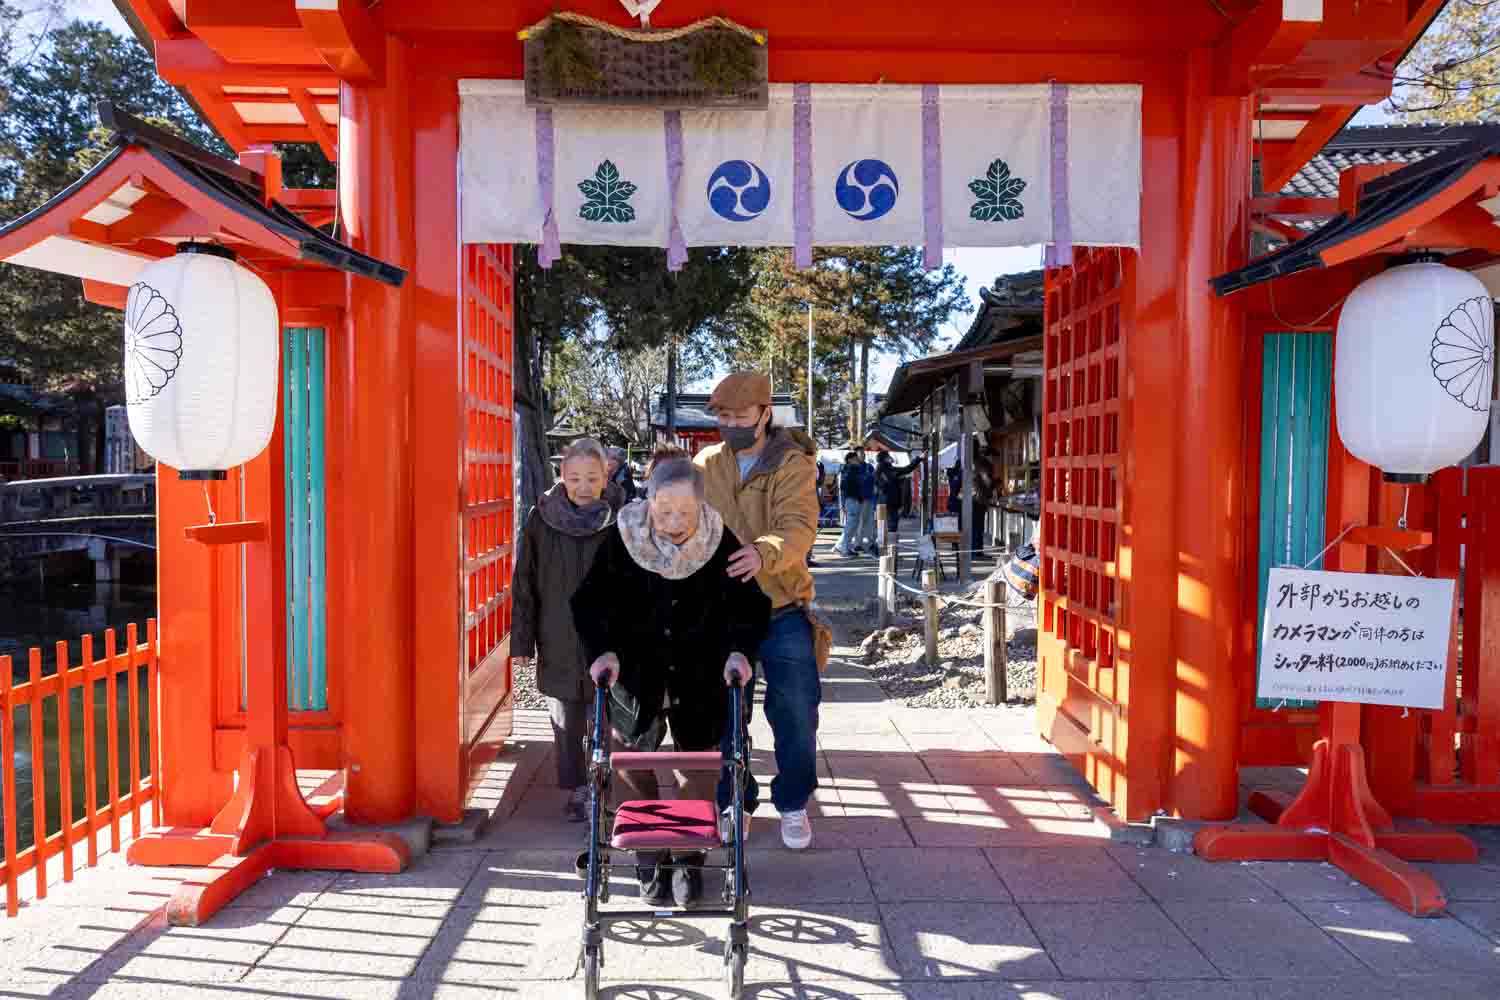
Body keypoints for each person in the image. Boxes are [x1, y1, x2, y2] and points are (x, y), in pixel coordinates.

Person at [571, 449, 769, 908]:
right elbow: (588, 602)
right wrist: (601, 652)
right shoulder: (624, 539)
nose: (675, 521)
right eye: (664, 510)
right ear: (649, 500)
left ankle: (686, 857)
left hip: (700, 671)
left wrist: (739, 650)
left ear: (701, 506)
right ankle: (648, 853)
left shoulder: (718, 541)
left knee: (694, 762)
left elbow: (751, 606)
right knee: (628, 756)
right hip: (634, 670)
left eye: (684, 511)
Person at [696, 371, 822, 850]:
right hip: (723, 610)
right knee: (727, 713)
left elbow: (799, 528)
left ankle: (792, 801)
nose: (730, 425)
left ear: (765, 413)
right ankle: (735, 799)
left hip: (782, 604)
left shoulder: (793, 463)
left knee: (795, 708)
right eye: (723, 417)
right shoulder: (707, 462)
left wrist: (763, 552)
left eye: (740, 416)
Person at [511, 438, 626, 823]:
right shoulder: (540, 518)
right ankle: (576, 784)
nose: (582, 486)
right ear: (562, 476)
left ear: (605, 475)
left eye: (591, 478)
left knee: (603, 716)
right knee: (565, 717)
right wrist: (522, 640)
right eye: (574, 478)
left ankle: (598, 787)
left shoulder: (623, 517)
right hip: (557, 635)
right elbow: (524, 581)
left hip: (607, 636)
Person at [875, 450, 922, 545]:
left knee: (883, 525)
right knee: (892, 525)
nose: (891, 458)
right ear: (885, 459)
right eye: (888, 456)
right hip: (890, 501)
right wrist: (919, 459)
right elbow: (906, 469)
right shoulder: (887, 469)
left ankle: (885, 548)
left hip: (883, 501)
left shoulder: (880, 469)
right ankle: (891, 549)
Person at [836, 449, 876, 556]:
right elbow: (846, 487)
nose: (858, 459)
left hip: (857, 500)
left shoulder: (856, 469)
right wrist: (848, 500)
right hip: (852, 500)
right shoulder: (849, 470)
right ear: (850, 460)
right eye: (856, 458)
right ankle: (843, 548)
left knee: (853, 525)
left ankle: (844, 547)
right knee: (851, 525)